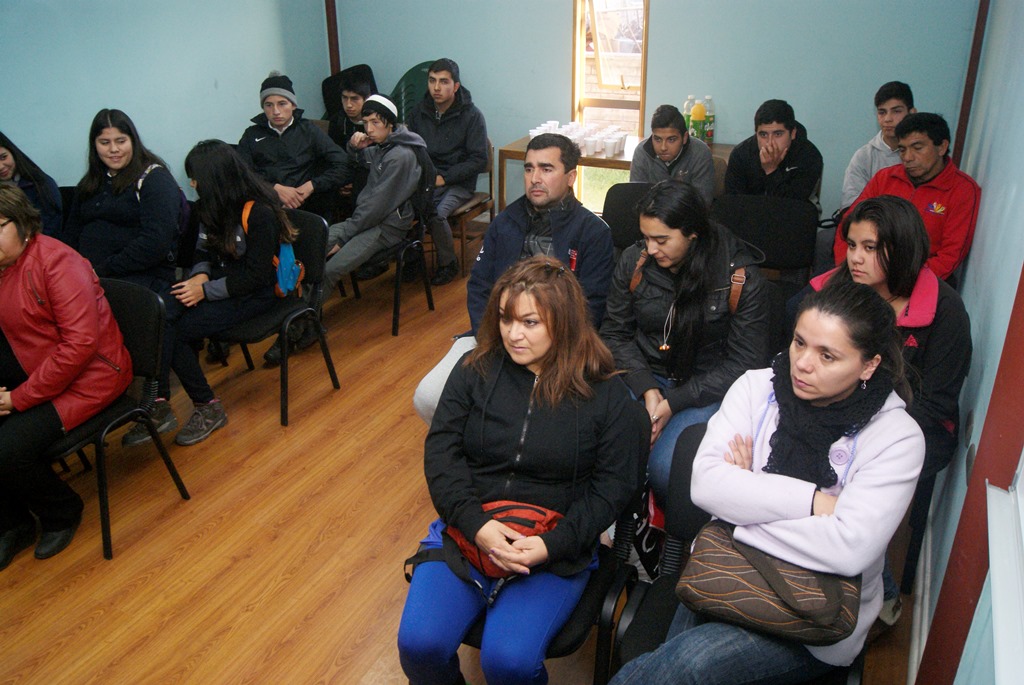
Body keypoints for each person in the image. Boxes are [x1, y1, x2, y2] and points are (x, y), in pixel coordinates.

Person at [611, 279, 926, 684]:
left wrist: (740, 507)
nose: (803, 363)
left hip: (817, 615)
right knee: (677, 667)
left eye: (827, 356)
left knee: (688, 665)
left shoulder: (897, 437)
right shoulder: (757, 387)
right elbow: (705, 485)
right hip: (725, 572)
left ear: (869, 365)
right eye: (799, 342)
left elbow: (849, 549)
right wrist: (813, 502)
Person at [397, 256, 643, 685]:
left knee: (508, 662)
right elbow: (442, 454)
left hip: (553, 546)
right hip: (470, 531)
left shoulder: (606, 394)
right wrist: (476, 525)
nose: (513, 333)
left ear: (563, 322)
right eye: (506, 318)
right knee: (419, 646)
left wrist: (550, 545)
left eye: (530, 322)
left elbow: (612, 488)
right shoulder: (474, 369)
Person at [811, 195, 972, 618]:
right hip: (838, 415)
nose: (855, 258)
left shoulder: (946, 312)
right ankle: (812, 575)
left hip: (915, 429)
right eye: (852, 245)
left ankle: (873, 592)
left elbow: (935, 403)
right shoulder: (839, 291)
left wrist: (860, 433)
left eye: (870, 248)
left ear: (901, 250)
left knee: (849, 487)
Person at [411, 133, 614, 425]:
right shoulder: (504, 222)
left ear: (571, 177)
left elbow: (591, 306)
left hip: (559, 347)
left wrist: (543, 347)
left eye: (546, 168)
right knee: (427, 397)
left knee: (532, 418)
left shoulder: (593, 233)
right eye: (529, 168)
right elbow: (480, 287)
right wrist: (492, 338)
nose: (534, 178)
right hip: (495, 336)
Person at [600, 179, 770, 503]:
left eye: (661, 240)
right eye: (646, 237)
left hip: (704, 387)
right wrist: (647, 388)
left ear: (693, 233)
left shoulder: (740, 279)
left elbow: (745, 364)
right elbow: (614, 333)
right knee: (606, 451)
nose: (651, 249)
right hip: (641, 374)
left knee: (666, 471)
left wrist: (674, 402)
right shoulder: (636, 261)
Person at [122, 140, 295, 448]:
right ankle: (160, 401)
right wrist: (200, 274)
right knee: (161, 314)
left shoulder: (260, 212)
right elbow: (201, 250)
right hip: (219, 283)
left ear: (216, 178)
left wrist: (204, 290)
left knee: (176, 330)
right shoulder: (208, 206)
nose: (192, 184)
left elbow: (255, 277)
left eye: (195, 177)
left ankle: (204, 406)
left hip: (257, 293)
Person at [0, 185, 133, 569]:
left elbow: (80, 346)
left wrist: (18, 399)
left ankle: (62, 511)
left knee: (7, 449)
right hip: (40, 368)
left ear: (22, 223)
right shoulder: (6, 265)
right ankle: (13, 523)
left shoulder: (57, 262)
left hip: (93, 378)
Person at [833, 113, 982, 283]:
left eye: (917, 148)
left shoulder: (962, 190)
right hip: (862, 270)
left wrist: (896, 284)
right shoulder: (885, 178)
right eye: (902, 149)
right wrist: (847, 270)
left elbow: (949, 257)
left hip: (917, 280)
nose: (908, 157)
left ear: (942, 147)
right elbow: (849, 224)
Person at [321, 94, 429, 302]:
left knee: (330, 270)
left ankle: (304, 318)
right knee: (314, 244)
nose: (369, 129)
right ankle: (295, 308)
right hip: (368, 221)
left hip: (387, 227)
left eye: (375, 122)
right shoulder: (385, 146)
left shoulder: (400, 156)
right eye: (366, 122)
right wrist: (354, 148)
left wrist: (344, 239)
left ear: (390, 124)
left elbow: (375, 207)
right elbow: (361, 160)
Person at [61, 109, 183, 291]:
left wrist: (101, 271)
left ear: (133, 141)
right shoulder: (90, 182)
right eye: (104, 142)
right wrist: (70, 269)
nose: (113, 149)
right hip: (87, 278)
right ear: (94, 145)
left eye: (121, 141)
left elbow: (155, 243)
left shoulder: (154, 179)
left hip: (138, 280)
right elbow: (71, 233)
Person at [407, 58, 490, 285]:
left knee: (436, 213)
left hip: (459, 182)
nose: (436, 87)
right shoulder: (418, 113)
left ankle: (448, 263)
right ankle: (412, 257)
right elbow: (410, 149)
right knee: (402, 206)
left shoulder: (472, 116)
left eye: (443, 82)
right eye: (432, 80)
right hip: (426, 179)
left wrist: (446, 178)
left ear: (455, 86)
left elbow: (479, 159)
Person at [237, 72, 350, 220]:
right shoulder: (251, 135)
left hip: (307, 206)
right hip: (266, 207)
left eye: (282, 103)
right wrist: (273, 188)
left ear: (293, 105)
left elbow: (343, 163)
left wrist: (311, 186)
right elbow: (240, 174)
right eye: (269, 105)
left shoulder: (308, 130)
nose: (276, 111)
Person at [724, 99, 823, 204]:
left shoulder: (809, 156)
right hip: (751, 211)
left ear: (793, 133)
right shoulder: (741, 155)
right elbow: (734, 204)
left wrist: (771, 171)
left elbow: (793, 206)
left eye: (778, 134)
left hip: (793, 211)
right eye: (763, 135)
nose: (770, 143)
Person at [840, 82, 916, 209]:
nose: (887, 119)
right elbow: (851, 205)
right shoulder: (864, 156)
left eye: (896, 111)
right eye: (882, 112)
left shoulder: (922, 155)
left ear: (912, 113)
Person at [630, 105, 714, 205]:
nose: (663, 147)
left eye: (671, 140)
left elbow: (702, 203)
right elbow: (637, 200)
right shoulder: (642, 152)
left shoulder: (701, 153)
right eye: (657, 139)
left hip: (689, 214)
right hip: (650, 214)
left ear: (684, 138)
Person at [0, 131, 62, 236]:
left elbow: (50, 228)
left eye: (3, 157)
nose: (1, 167)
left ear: (13, 153)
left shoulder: (41, 184)